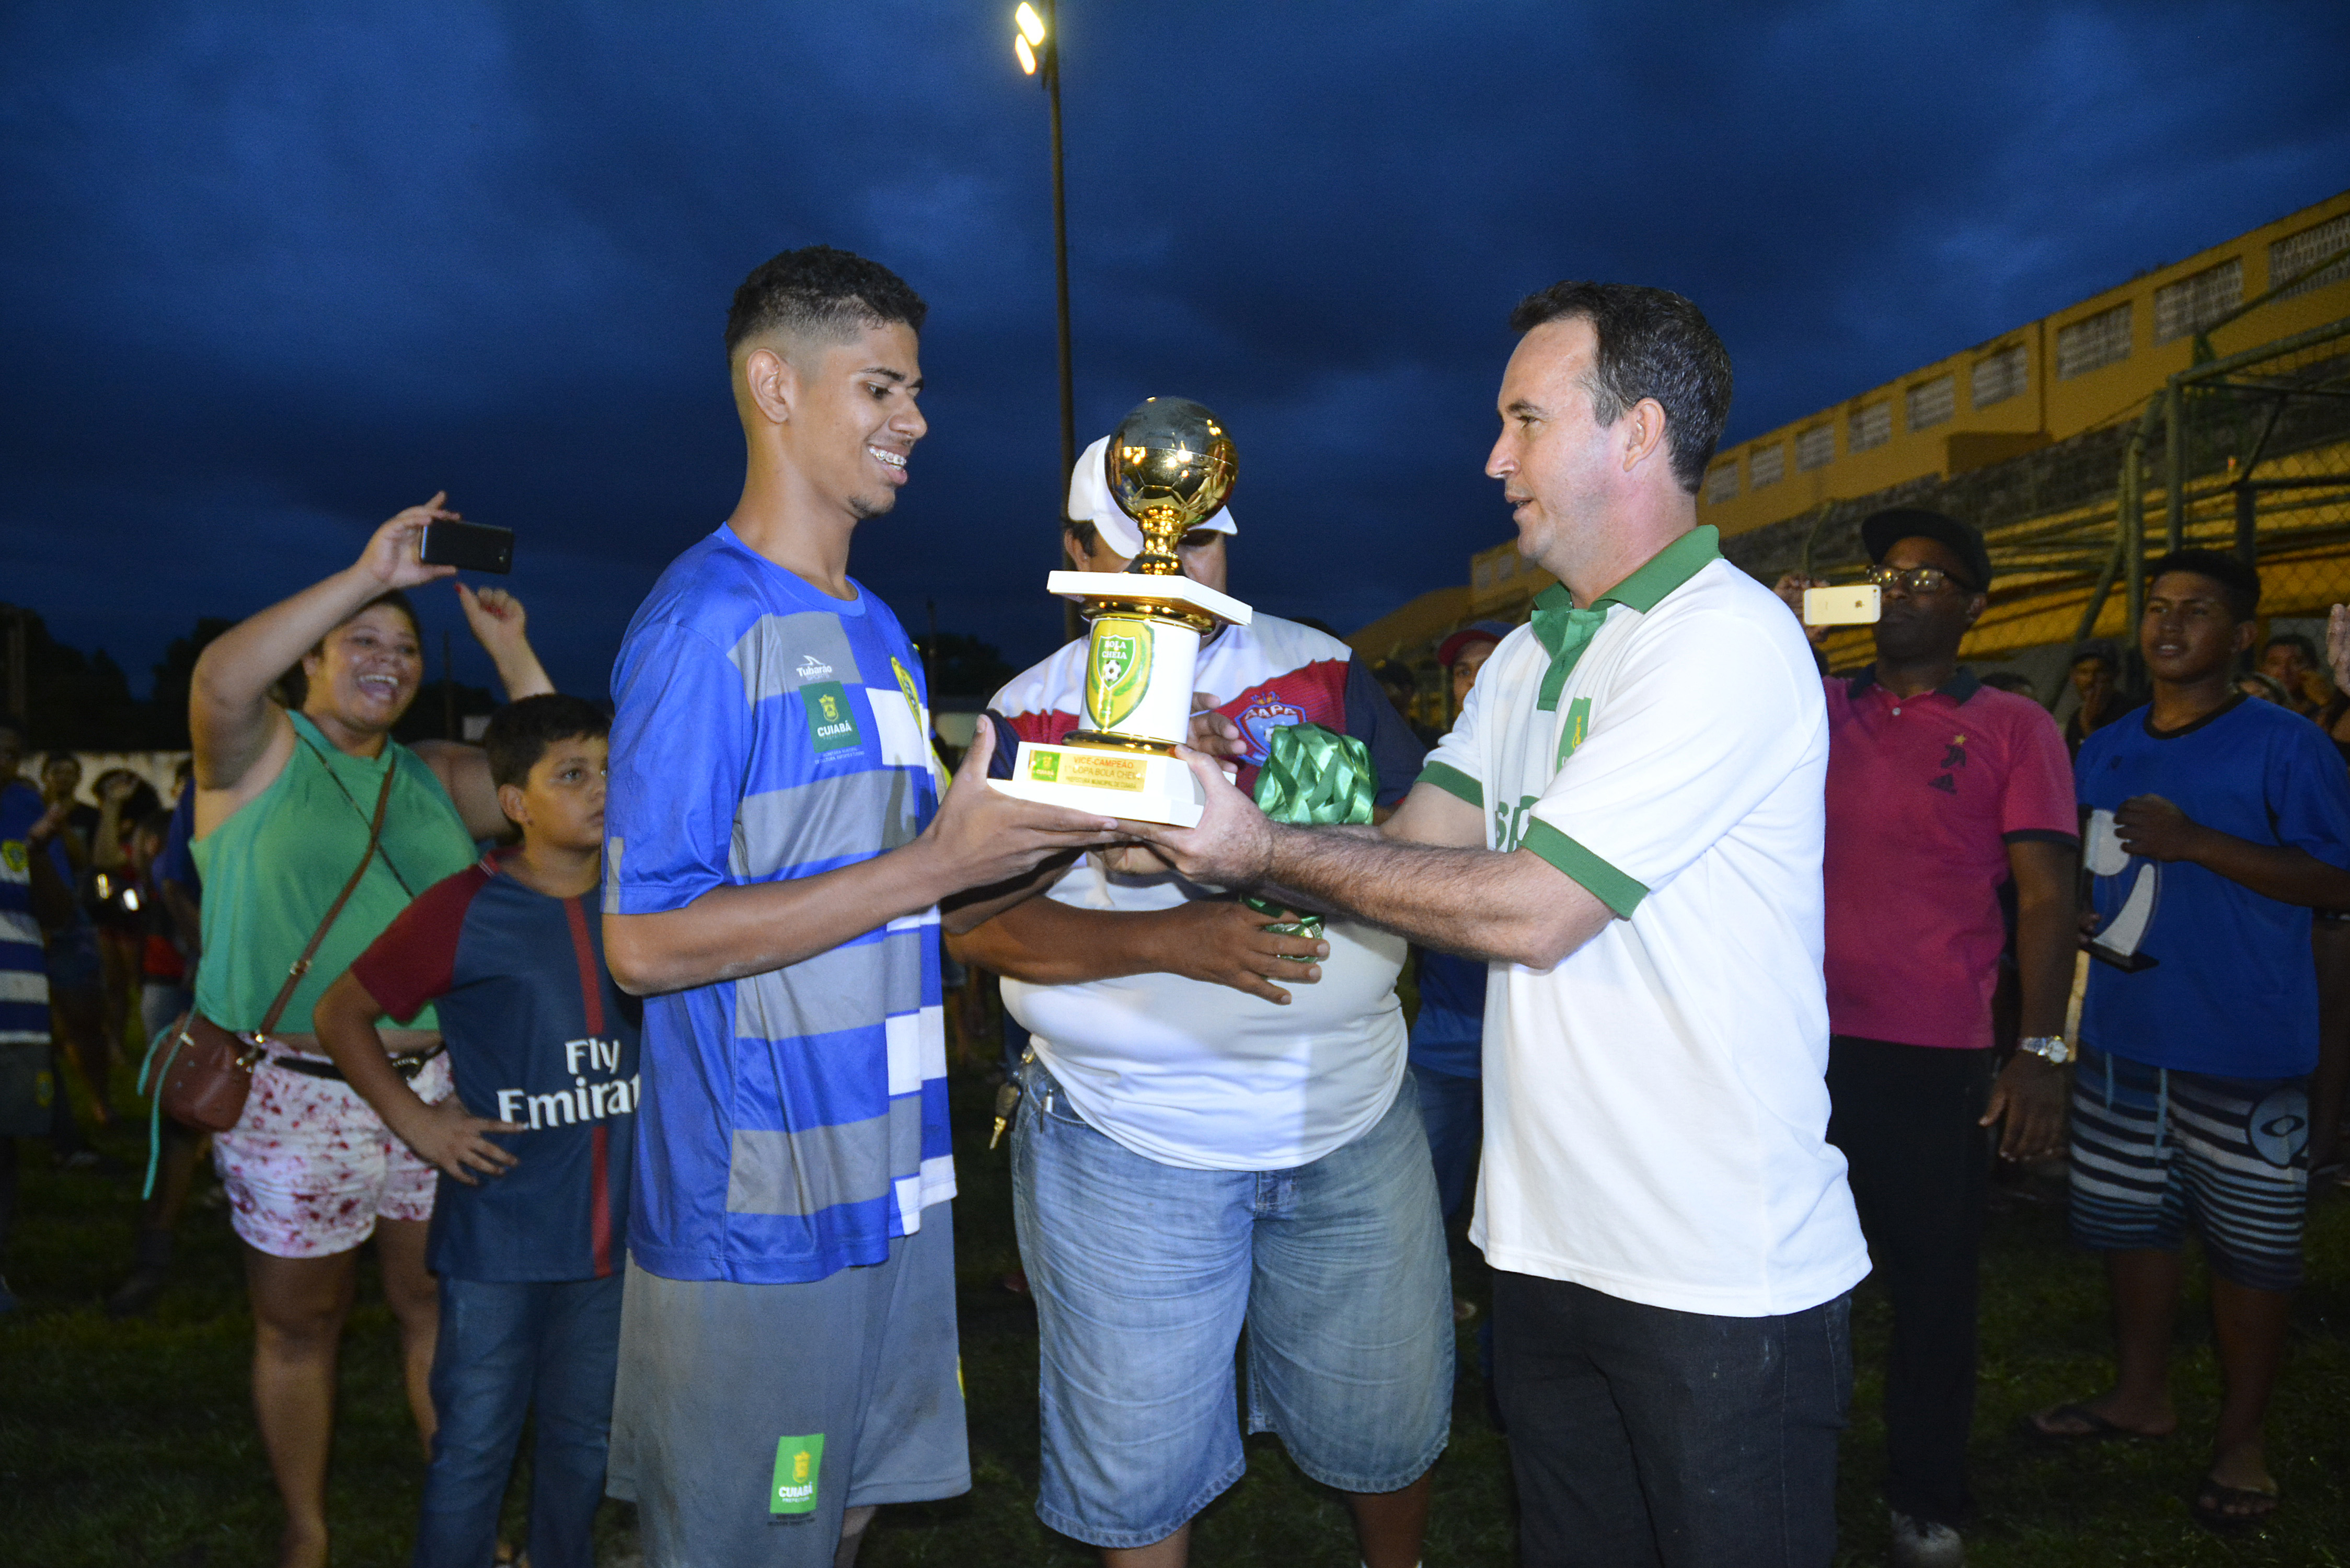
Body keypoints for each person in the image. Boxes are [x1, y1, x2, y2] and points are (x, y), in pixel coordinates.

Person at [1123, 281, 1868, 1568]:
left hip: (1715, 1271)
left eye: (1525, 419)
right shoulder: (1528, 655)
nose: (1492, 458)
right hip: (1546, 1246)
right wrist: (1231, 798)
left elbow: (1534, 910)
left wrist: (1256, 849)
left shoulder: (1722, 641)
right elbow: (1410, 846)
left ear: (1637, 432)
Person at [597, 245, 1124, 1568]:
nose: (916, 420)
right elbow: (642, 943)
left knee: (839, 1512)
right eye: (881, 388)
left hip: (892, 1176)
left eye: (917, 390)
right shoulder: (702, 627)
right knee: (750, 1536)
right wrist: (932, 868)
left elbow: (921, 880)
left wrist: (1099, 818)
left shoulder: (881, 629)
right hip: (759, 1213)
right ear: (774, 386)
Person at [957, 432, 1444, 1568]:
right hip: (1127, 1133)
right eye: (1129, 545)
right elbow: (970, 925)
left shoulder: (1323, 671)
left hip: (1348, 1114)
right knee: (1141, 1454)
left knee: (1386, 1408)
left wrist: (1279, 834)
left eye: (1199, 541)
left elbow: (1426, 848)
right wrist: (1172, 938)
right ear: (1076, 552)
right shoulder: (1028, 713)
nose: (1171, 568)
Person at [187, 500, 554, 1568]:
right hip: (292, 1092)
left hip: (433, 1090)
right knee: (302, 1322)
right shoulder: (256, 755)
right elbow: (220, 680)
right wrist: (370, 574)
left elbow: (562, 772)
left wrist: (509, 649)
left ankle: (464, 1527)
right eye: (363, 642)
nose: (387, 660)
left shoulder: (432, 776)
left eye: (404, 648)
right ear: (310, 658)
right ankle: (307, 1531)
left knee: (434, 1307)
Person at [1776, 509, 2078, 1567]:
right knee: (1784, 1272)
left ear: (1974, 607)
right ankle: (1783, 1471)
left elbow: (2047, 897)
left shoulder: (2013, 727)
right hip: (1795, 1044)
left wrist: (2039, 1051)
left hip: (1931, 1050)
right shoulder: (1809, 704)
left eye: (1926, 578)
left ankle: (1925, 1495)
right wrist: (1776, 643)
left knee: (1932, 1286)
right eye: (1884, 574)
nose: (1899, 591)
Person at [2029, 551, 2350, 1535]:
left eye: (2197, 611)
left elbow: (2338, 881)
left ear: (2243, 635)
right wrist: (2087, 914)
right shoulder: (2106, 747)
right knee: (2134, 1228)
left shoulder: (2288, 746)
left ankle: (2242, 1441)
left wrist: (2198, 842)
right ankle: (2142, 1395)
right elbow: (2095, 869)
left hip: (2246, 1049)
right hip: (2124, 1040)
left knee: (2253, 1254)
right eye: (2158, 607)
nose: (2168, 626)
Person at [313, 694, 633, 1568]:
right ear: (516, 803)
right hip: (502, 1234)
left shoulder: (643, 897)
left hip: (616, 1238)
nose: (602, 790)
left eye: (612, 770)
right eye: (573, 775)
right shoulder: (465, 907)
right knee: (473, 1447)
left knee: (585, 1443)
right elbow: (341, 1012)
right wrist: (418, 1123)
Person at [1409, 619, 1516, 1236]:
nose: (1473, 681)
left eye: (1489, 665)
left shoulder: (1563, 761)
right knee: (1426, 1195)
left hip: (1526, 1030)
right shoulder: (1433, 769)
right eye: (1461, 670)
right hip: (1446, 1028)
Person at [1, 721, 75, 1313]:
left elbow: (57, 912)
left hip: (17, 1010)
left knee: (4, 1149)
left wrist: (41, 851)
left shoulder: (26, 813)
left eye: (10, 753)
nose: (2, 761)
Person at [34, 753, 107, 1143]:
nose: (62, 779)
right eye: (56, 772)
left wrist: (57, 828)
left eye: (70, 773)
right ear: (44, 776)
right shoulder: (28, 806)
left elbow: (85, 861)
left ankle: (100, 1100)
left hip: (69, 922)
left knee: (84, 1017)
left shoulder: (83, 817)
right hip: (28, 922)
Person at [2065, 641, 2124, 760]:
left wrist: (2088, 727)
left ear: (2115, 674)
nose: (2090, 680)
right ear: (2073, 677)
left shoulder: (2130, 715)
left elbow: (2116, 766)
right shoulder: (2076, 719)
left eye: (2100, 672)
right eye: (2084, 672)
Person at [1375, 658, 1442, 747]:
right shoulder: (1366, 740)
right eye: (1374, 689)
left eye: (1386, 687)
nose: (1378, 695)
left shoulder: (1434, 741)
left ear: (1408, 692)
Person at [2257, 632, 2325, 718]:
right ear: (2263, 670)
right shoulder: (2256, 707)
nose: (2284, 672)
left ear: (2314, 666)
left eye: (2296, 662)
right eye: (2275, 663)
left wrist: (2324, 703)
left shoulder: (2327, 709)